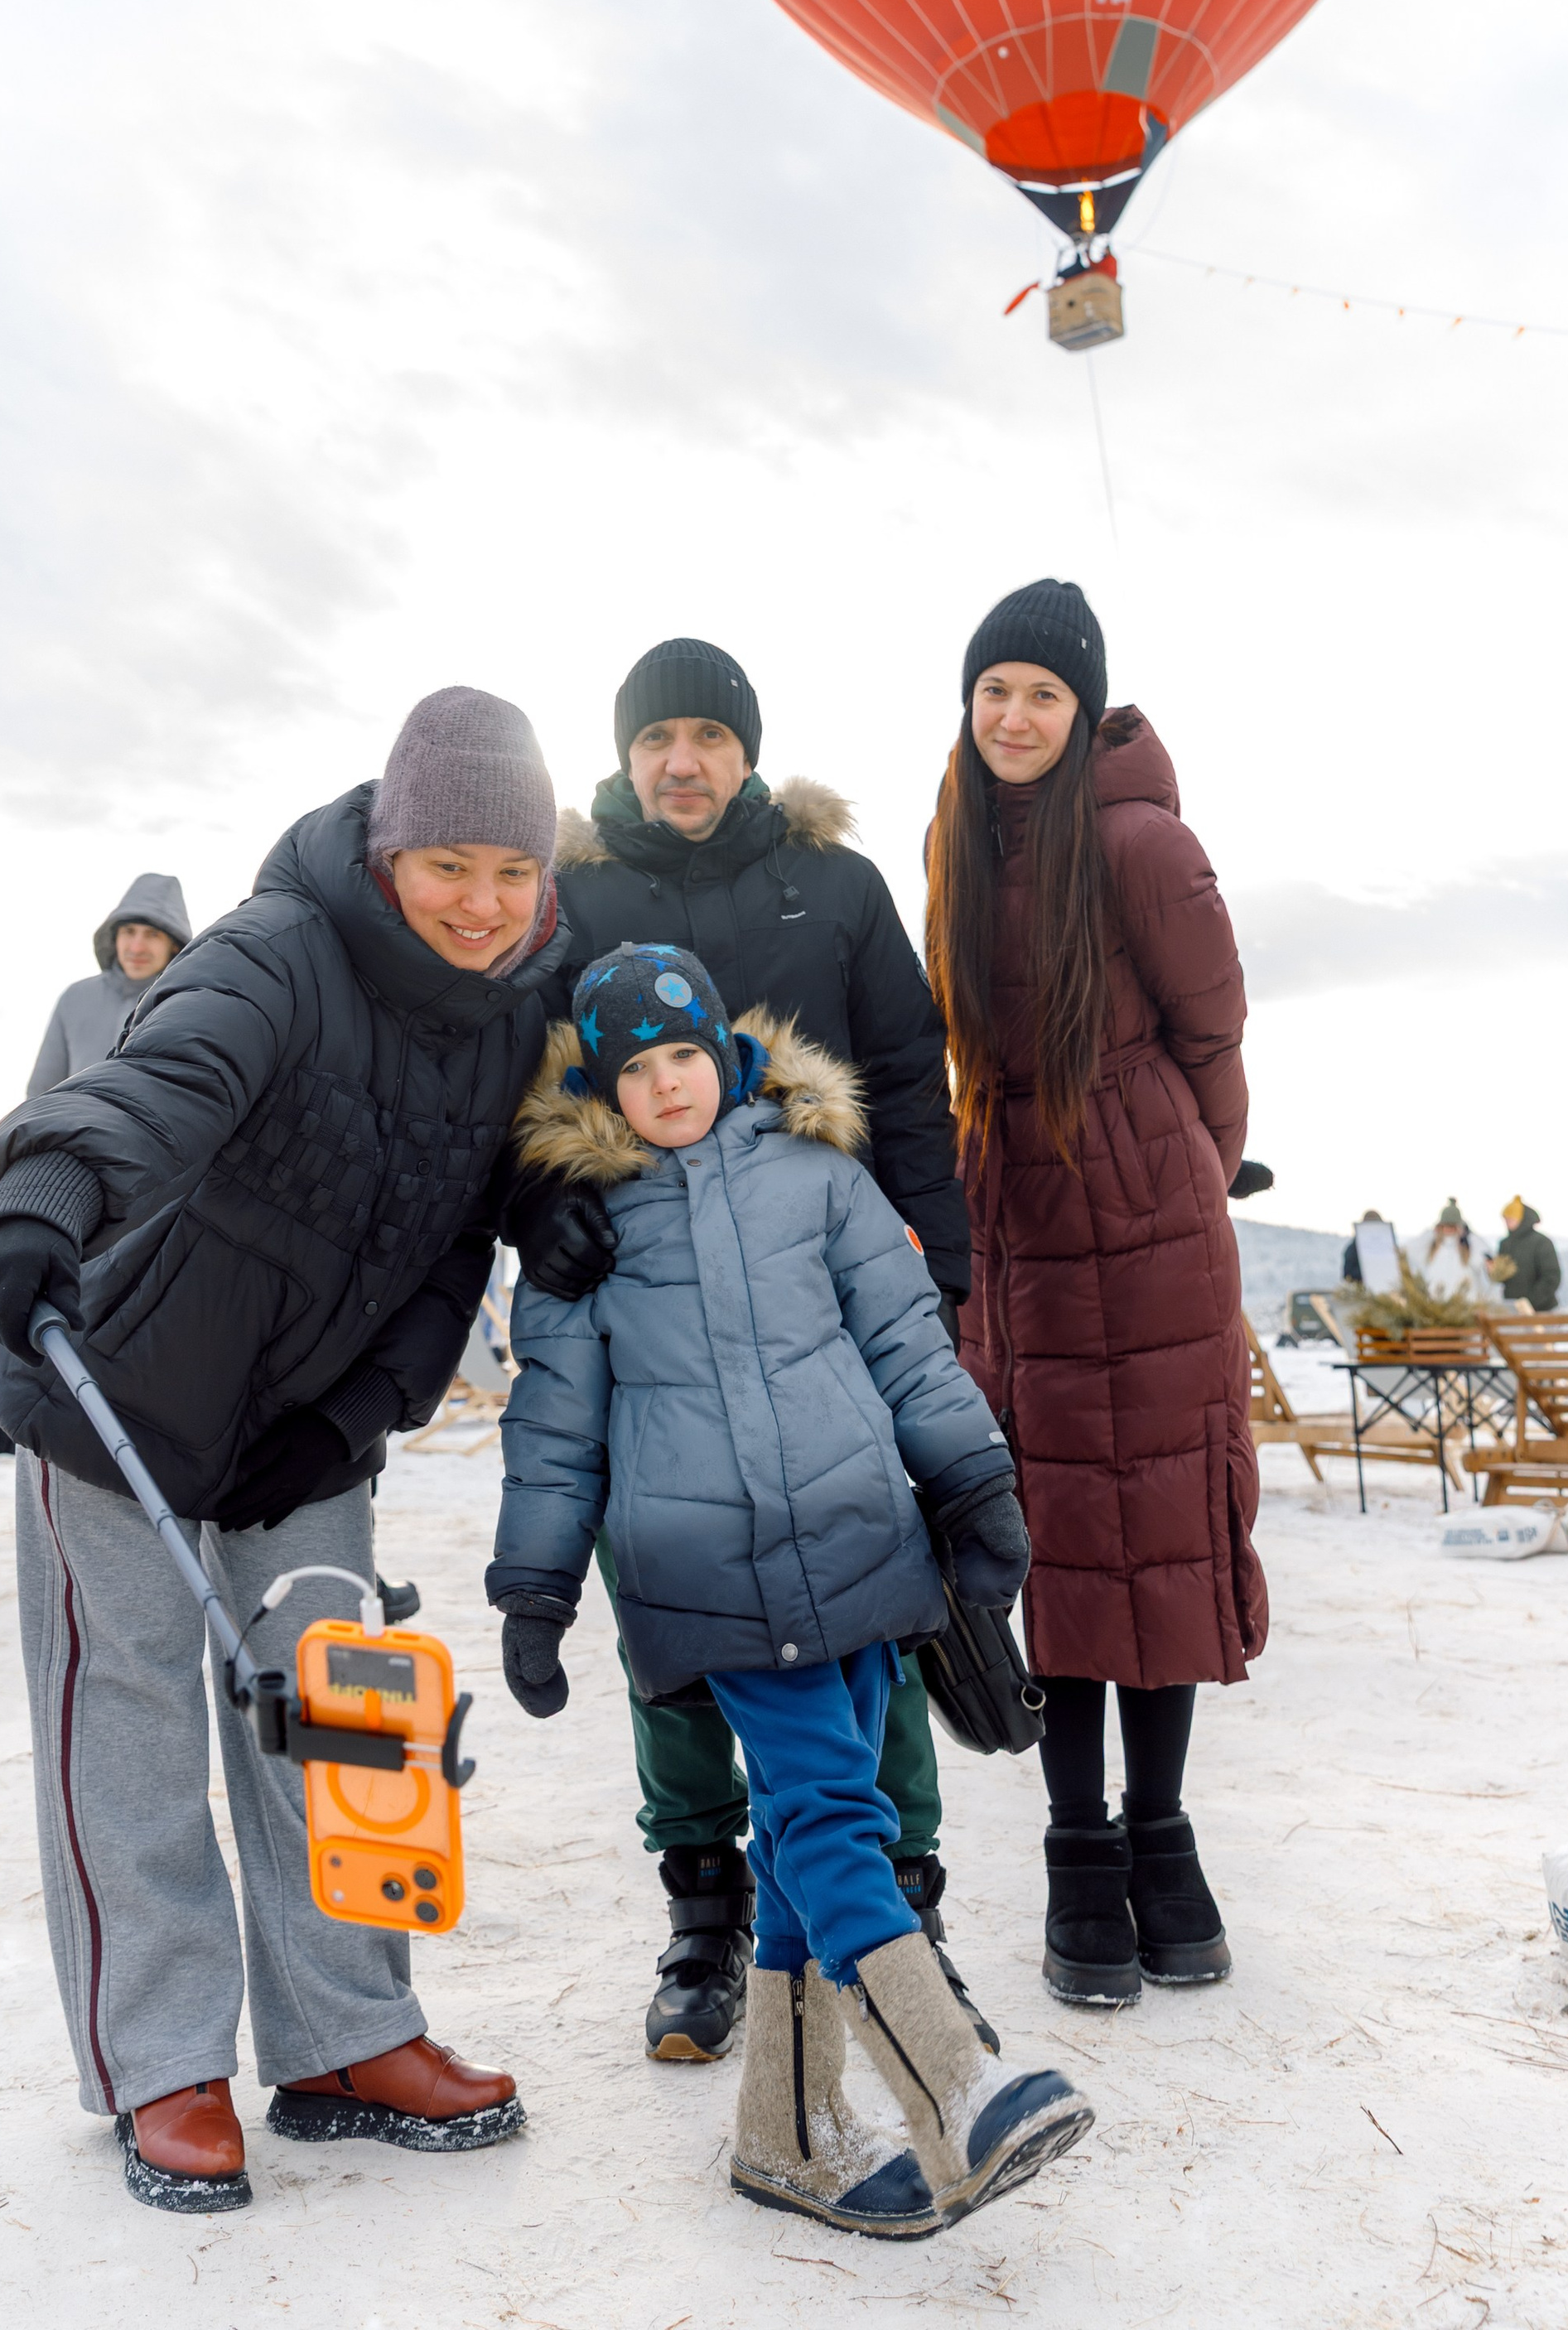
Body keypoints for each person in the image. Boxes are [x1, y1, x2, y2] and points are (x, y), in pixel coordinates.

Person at [0, 692, 572, 2217]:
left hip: (304, 1426)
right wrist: (44, 1192)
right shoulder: (277, 947)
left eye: (512, 870)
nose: (481, 905)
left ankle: (348, 2038)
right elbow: (158, 1088)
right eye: (449, 865)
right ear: (388, 850)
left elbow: (455, 1253)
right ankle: (164, 2059)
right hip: (122, 1390)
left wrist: (357, 1413)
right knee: (136, 1720)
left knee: (340, 1715)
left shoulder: (519, 1011)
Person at [488, 941, 1089, 2236]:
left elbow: (905, 1343)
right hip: (704, 1569)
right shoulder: (585, 1240)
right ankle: (955, 2087)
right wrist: (534, 1590)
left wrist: (976, 1486)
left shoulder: (821, 1179)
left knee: (810, 1820)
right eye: (634, 1069)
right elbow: (553, 1432)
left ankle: (787, 2133)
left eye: (685, 1056)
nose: (666, 1087)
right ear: (600, 1086)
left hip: (861, 1539)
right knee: (827, 1810)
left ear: (730, 1052)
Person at [524, 636, 974, 2063]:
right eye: (658, 738)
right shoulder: (571, 892)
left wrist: (936, 1254)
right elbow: (512, 1079)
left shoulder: (831, 886)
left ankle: (899, 1889)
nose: (683, 761)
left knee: (871, 1597)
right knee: (666, 1603)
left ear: (748, 751)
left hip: (814, 1306)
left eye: (709, 736)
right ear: (625, 756)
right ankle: (708, 1902)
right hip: (646, 1323)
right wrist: (536, 1204)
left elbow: (906, 1069)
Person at [924, 581, 1266, 2011]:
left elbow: (1215, 1031)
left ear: (1083, 711)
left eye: (1042, 695)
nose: (1014, 717)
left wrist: (1181, 1173)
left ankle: (1166, 1845)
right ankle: (1081, 1855)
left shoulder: (1139, 842)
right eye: (995, 689)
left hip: (1144, 1220)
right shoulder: (949, 836)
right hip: (1013, 1219)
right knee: (1058, 1537)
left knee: (1164, 1540)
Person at [27, 874, 192, 1093]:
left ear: (174, 944)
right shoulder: (76, 998)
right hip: (74, 1125)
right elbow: (41, 1093)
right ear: (114, 937)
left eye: (152, 935)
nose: (136, 948)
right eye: (129, 932)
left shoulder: (188, 1003)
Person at [1493, 1197, 1561, 1311]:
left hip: (1542, 1310)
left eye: (1511, 1219)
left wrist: (1530, 1302)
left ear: (1523, 1219)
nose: (1507, 1222)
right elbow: (1504, 1278)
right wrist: (1494, 1271)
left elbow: (1551, 1277)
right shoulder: (1505, 1244)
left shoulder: (1541, 1242)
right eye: (1506, 1219)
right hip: (1513, 1308)